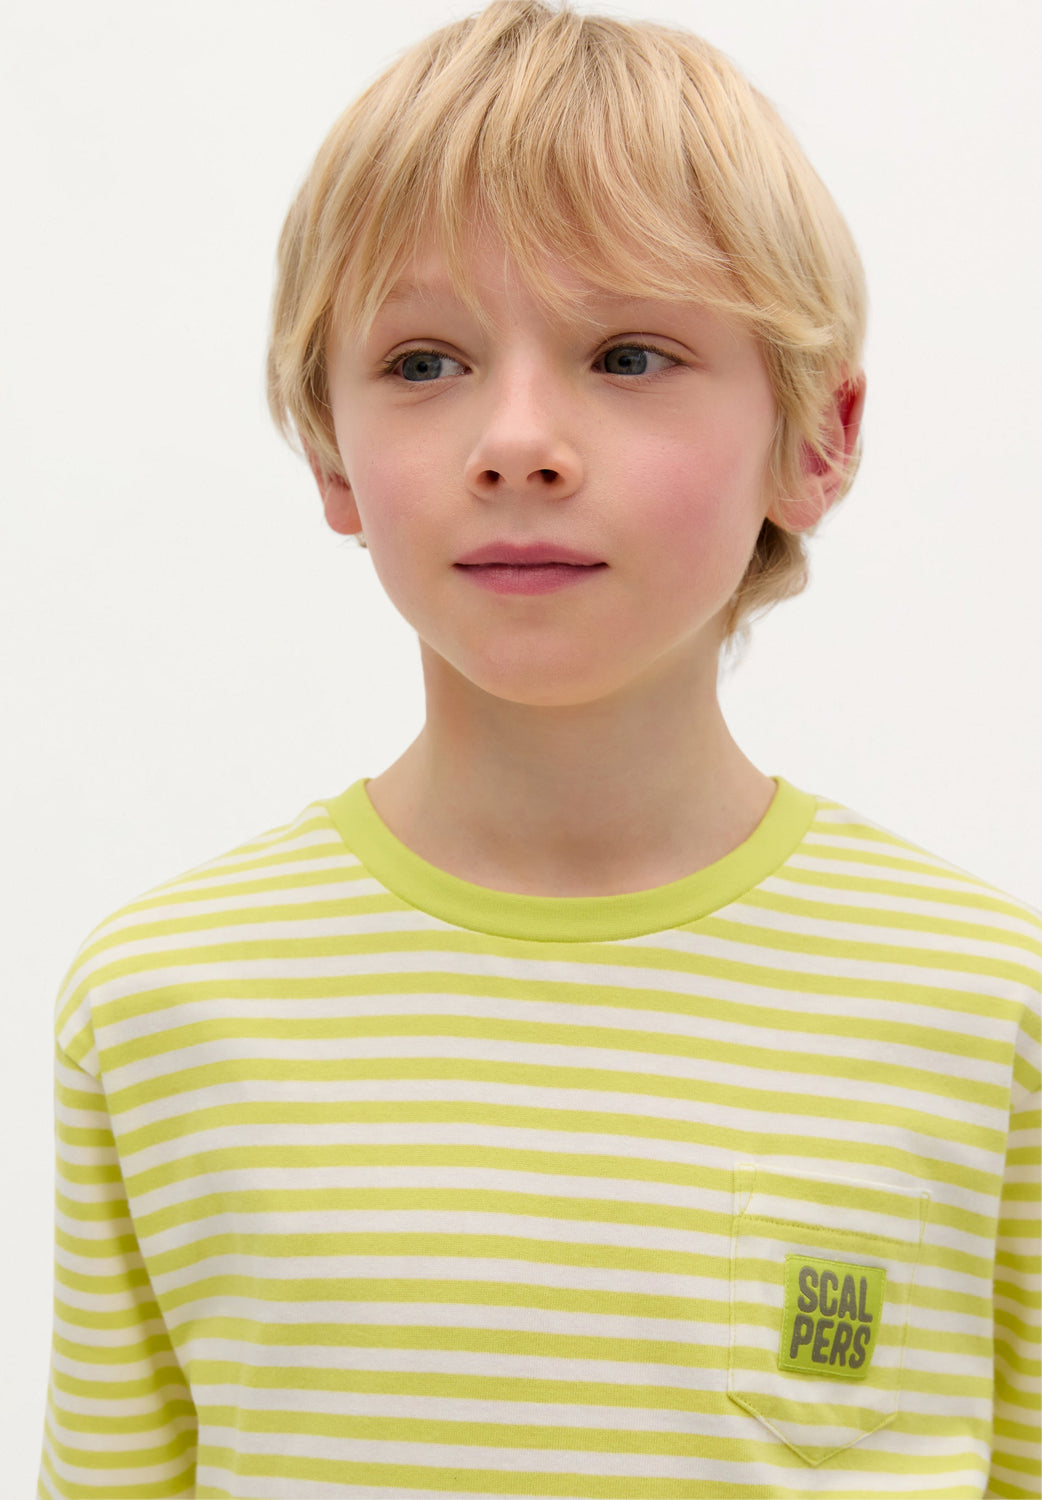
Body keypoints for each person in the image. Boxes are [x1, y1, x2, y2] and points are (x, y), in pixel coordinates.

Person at [38, 1, 1040, 1496]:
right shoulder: (161, 1004)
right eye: (423, 362)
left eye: (627, 354)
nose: (517, 441)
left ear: (818, 440)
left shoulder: (984, 1003)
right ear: (327, 449)